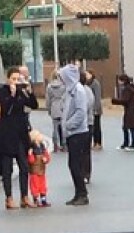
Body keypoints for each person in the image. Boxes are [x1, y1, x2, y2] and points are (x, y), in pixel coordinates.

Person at [0, 66, 39, 209]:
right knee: (7, 169)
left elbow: (33, 105)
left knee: (24, 166)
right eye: (13, 79)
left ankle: (24, 197)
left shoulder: (21, 91)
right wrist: (12, 95)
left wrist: (30, 93)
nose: (15, 82)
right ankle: (8, 197)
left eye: (17, 79)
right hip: (6, 135)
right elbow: (6, 109)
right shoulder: (3, 91)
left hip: (20, 134)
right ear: (8, 79)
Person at [60, 63, 91, 206]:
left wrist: (68, 125)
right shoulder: (70, 90)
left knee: (76, 165)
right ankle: (78, 193)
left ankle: (82, 194)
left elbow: (80, 112)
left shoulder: (78, 90)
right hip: (72, 134)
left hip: (78, 133)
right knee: (73, 165)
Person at [112, 74, 134, 150]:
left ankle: (129, 143)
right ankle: (131, 142)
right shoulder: (132, 88)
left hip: (130, 110)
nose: (118, 82)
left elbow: (125, 100)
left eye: (119, 80)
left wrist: (114, 101)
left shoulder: (127, 89)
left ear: (123, 81)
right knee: (130, 127)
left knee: (127, 127)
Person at [79, 69, 96, 183]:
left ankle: (85, 173)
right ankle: (84, 173)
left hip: (85, 124)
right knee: (83, 151)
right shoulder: (87, 90)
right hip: (86, 123)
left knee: (84, 150)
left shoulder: (84, 91)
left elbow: (87, 105)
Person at [27, 129, 51, 207]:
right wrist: (30, 155)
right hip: (34, 171)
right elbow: (31, 161)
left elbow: (47, 156)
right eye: (39, 135)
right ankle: (36, 198)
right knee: (35, 185)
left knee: (43, 185)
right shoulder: (32, 149)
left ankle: (43, 198)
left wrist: (46, 159)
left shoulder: (42, 147)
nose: (41, 136)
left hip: (41, 170)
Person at [46, 74, 66, 152]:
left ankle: (55, 145)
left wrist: (49, 109)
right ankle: (64, 145)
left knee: (55, 128)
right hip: (62, 107)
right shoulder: (64, 86)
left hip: (54, 107)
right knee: (63, 127)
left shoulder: (49, 87)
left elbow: (48, 100)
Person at [86, 69, 104, 150]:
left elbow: (97, 96)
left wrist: (96, 108)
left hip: (96, 109)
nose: (86, 75)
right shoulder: (86, 83)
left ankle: (98, 142)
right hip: (89, 109)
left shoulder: (95, 83)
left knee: (97, 126)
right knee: (90, 127)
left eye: (88, 74)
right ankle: (92, 142)